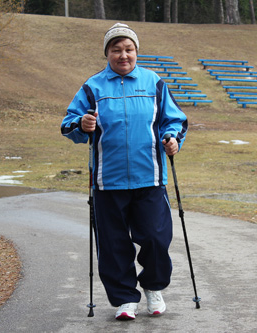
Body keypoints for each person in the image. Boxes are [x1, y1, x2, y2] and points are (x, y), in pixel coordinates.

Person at [61, 23, 188, 321]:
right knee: (114, 244)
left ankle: (154, 289)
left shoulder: (153, 82)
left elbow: (175, 119)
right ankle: (124, 299)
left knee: (156, 239)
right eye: (116, 49)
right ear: (107, 53)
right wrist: (82, 124)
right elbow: (69, 124)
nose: (123, 55)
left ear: (136, 52)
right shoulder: (93, 87)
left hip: (150, 178)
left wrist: (172, 139)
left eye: (128, 49)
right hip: (108, 181)